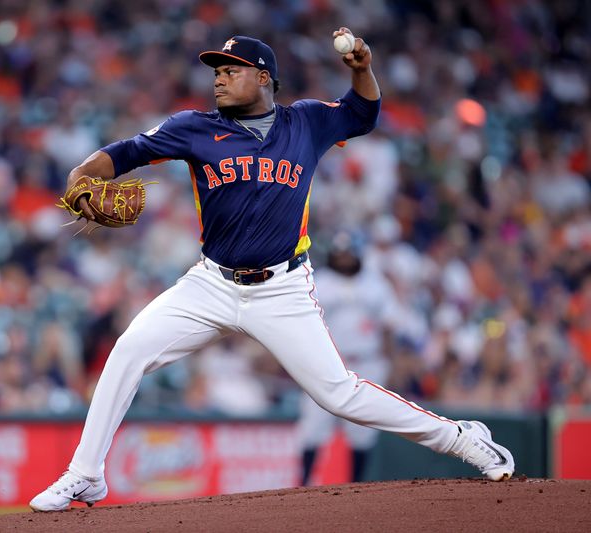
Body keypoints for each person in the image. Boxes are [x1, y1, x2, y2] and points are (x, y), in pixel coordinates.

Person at [30, 30, 515, 512]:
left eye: (230, 71)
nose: (218, 80)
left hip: (281, 288)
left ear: (263, 77)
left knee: (338, 395)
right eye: (216, 72)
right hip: (210, 283)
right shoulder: (194, 127)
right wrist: (81, 176)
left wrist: (362, 70)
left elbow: (363, 114)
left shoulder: (305, 123)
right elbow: (125, 152)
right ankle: (85, 474)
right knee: (129, 351)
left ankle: (461, 438)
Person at [297, 230, 398, 484]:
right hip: (328, 364)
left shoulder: (375, 283)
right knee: (312, 428)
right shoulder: (319, 280)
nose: (344, 258)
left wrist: (391, 362)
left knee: (362, 431)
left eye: (349, 253)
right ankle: (303, 487)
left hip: (368, 362)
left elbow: (388, 325)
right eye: (340, 253)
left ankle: (358, 488)